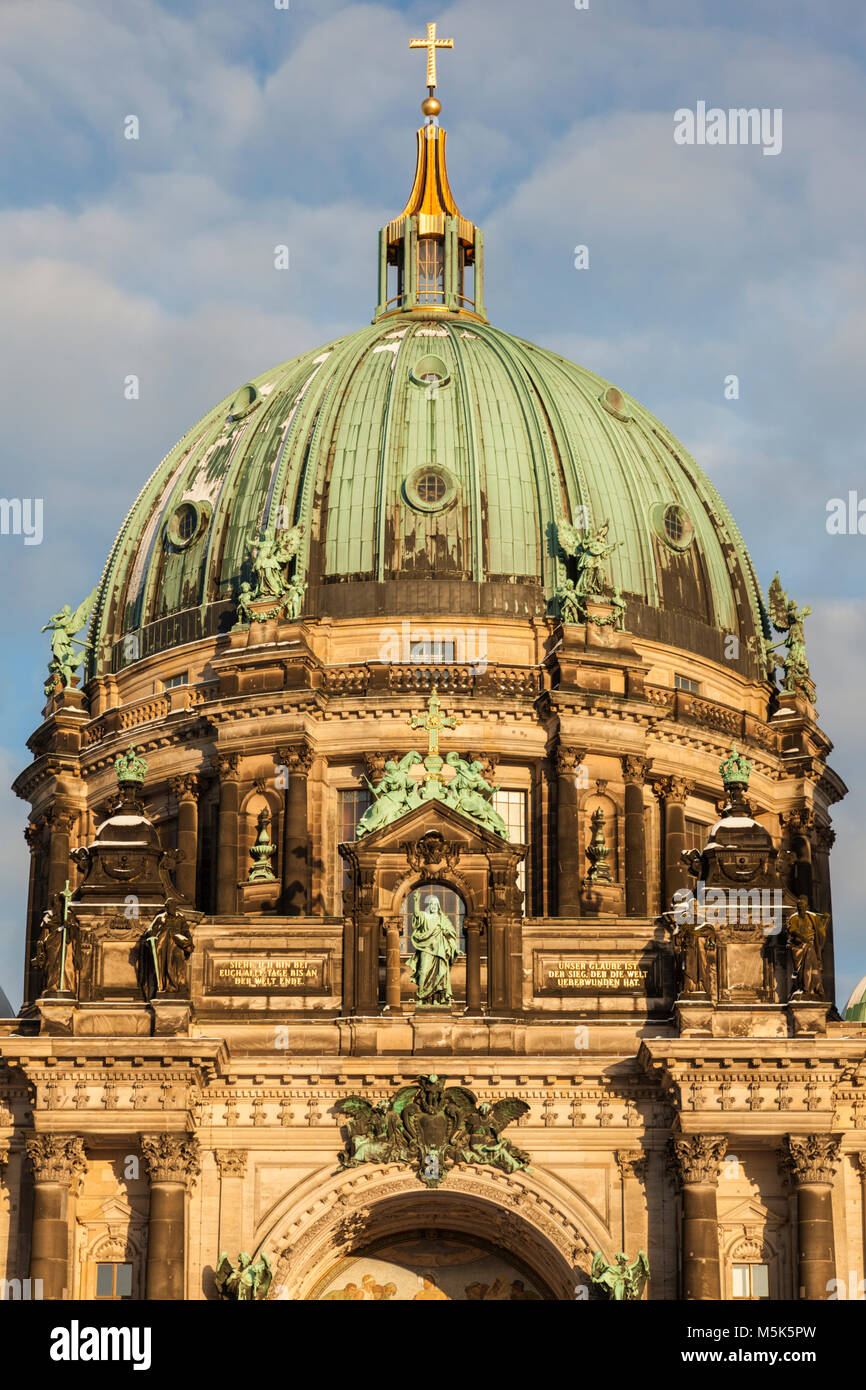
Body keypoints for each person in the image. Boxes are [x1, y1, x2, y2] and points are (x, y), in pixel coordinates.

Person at [410, 894, 462, 1006]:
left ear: (438, 906)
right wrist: (416, 901)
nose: (433, 906)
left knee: (439, 974)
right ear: (429, 906)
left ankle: (436, 999)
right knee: (423, 971)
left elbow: (451, 934)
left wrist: (455, 948)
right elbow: (417, 915)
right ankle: (421, 997)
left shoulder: (443, 919)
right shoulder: (425, 916)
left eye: (435, 904)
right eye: (431, 904)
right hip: (426, 948)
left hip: (440, 951)